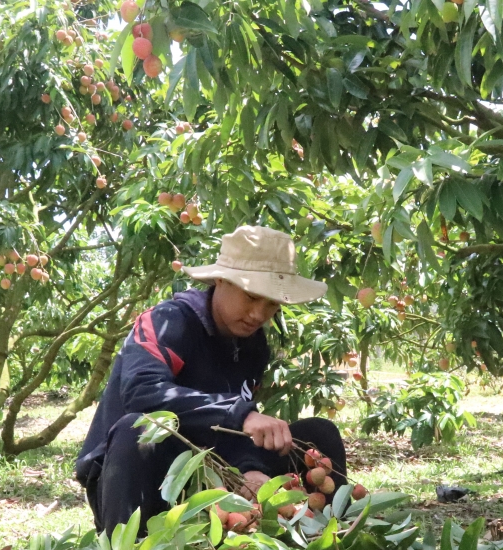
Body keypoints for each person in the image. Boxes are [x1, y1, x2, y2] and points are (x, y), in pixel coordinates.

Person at [75, 225, 347, 533]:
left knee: (318, 434)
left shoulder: (254, 346)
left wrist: (250, 470)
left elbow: (227, 432)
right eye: (251, 296)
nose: (259, 314)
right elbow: (142, 391)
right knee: (139, 429)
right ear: (220, 280)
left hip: (213, 478)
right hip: (138, 481)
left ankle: (331, 538)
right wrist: (239, 413)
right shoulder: (168, 322)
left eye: (272, 303)